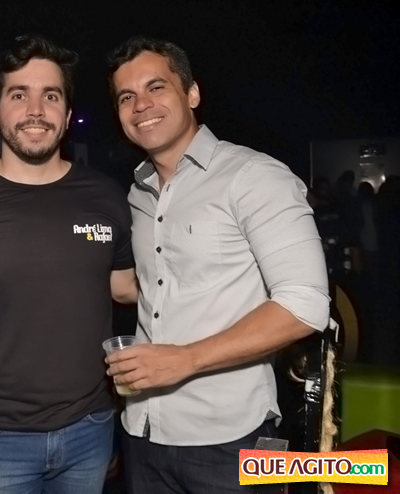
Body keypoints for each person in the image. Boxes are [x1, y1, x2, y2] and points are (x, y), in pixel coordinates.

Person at [105, 36, 330, 493]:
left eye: (156, 87)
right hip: (142, 430)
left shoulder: (254, 176)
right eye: (126, 97)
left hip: (232, 436)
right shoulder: (136, 194)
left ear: (191, 93)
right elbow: (143, 286)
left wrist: (185, 360)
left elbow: (305, 305)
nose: (141, 105)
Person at [0, 35, 137, 493]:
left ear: (67, 114)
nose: (36, 110)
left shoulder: (106, 197)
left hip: (91, 427)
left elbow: (123, 287)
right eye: (19, 95)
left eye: (51, 96)